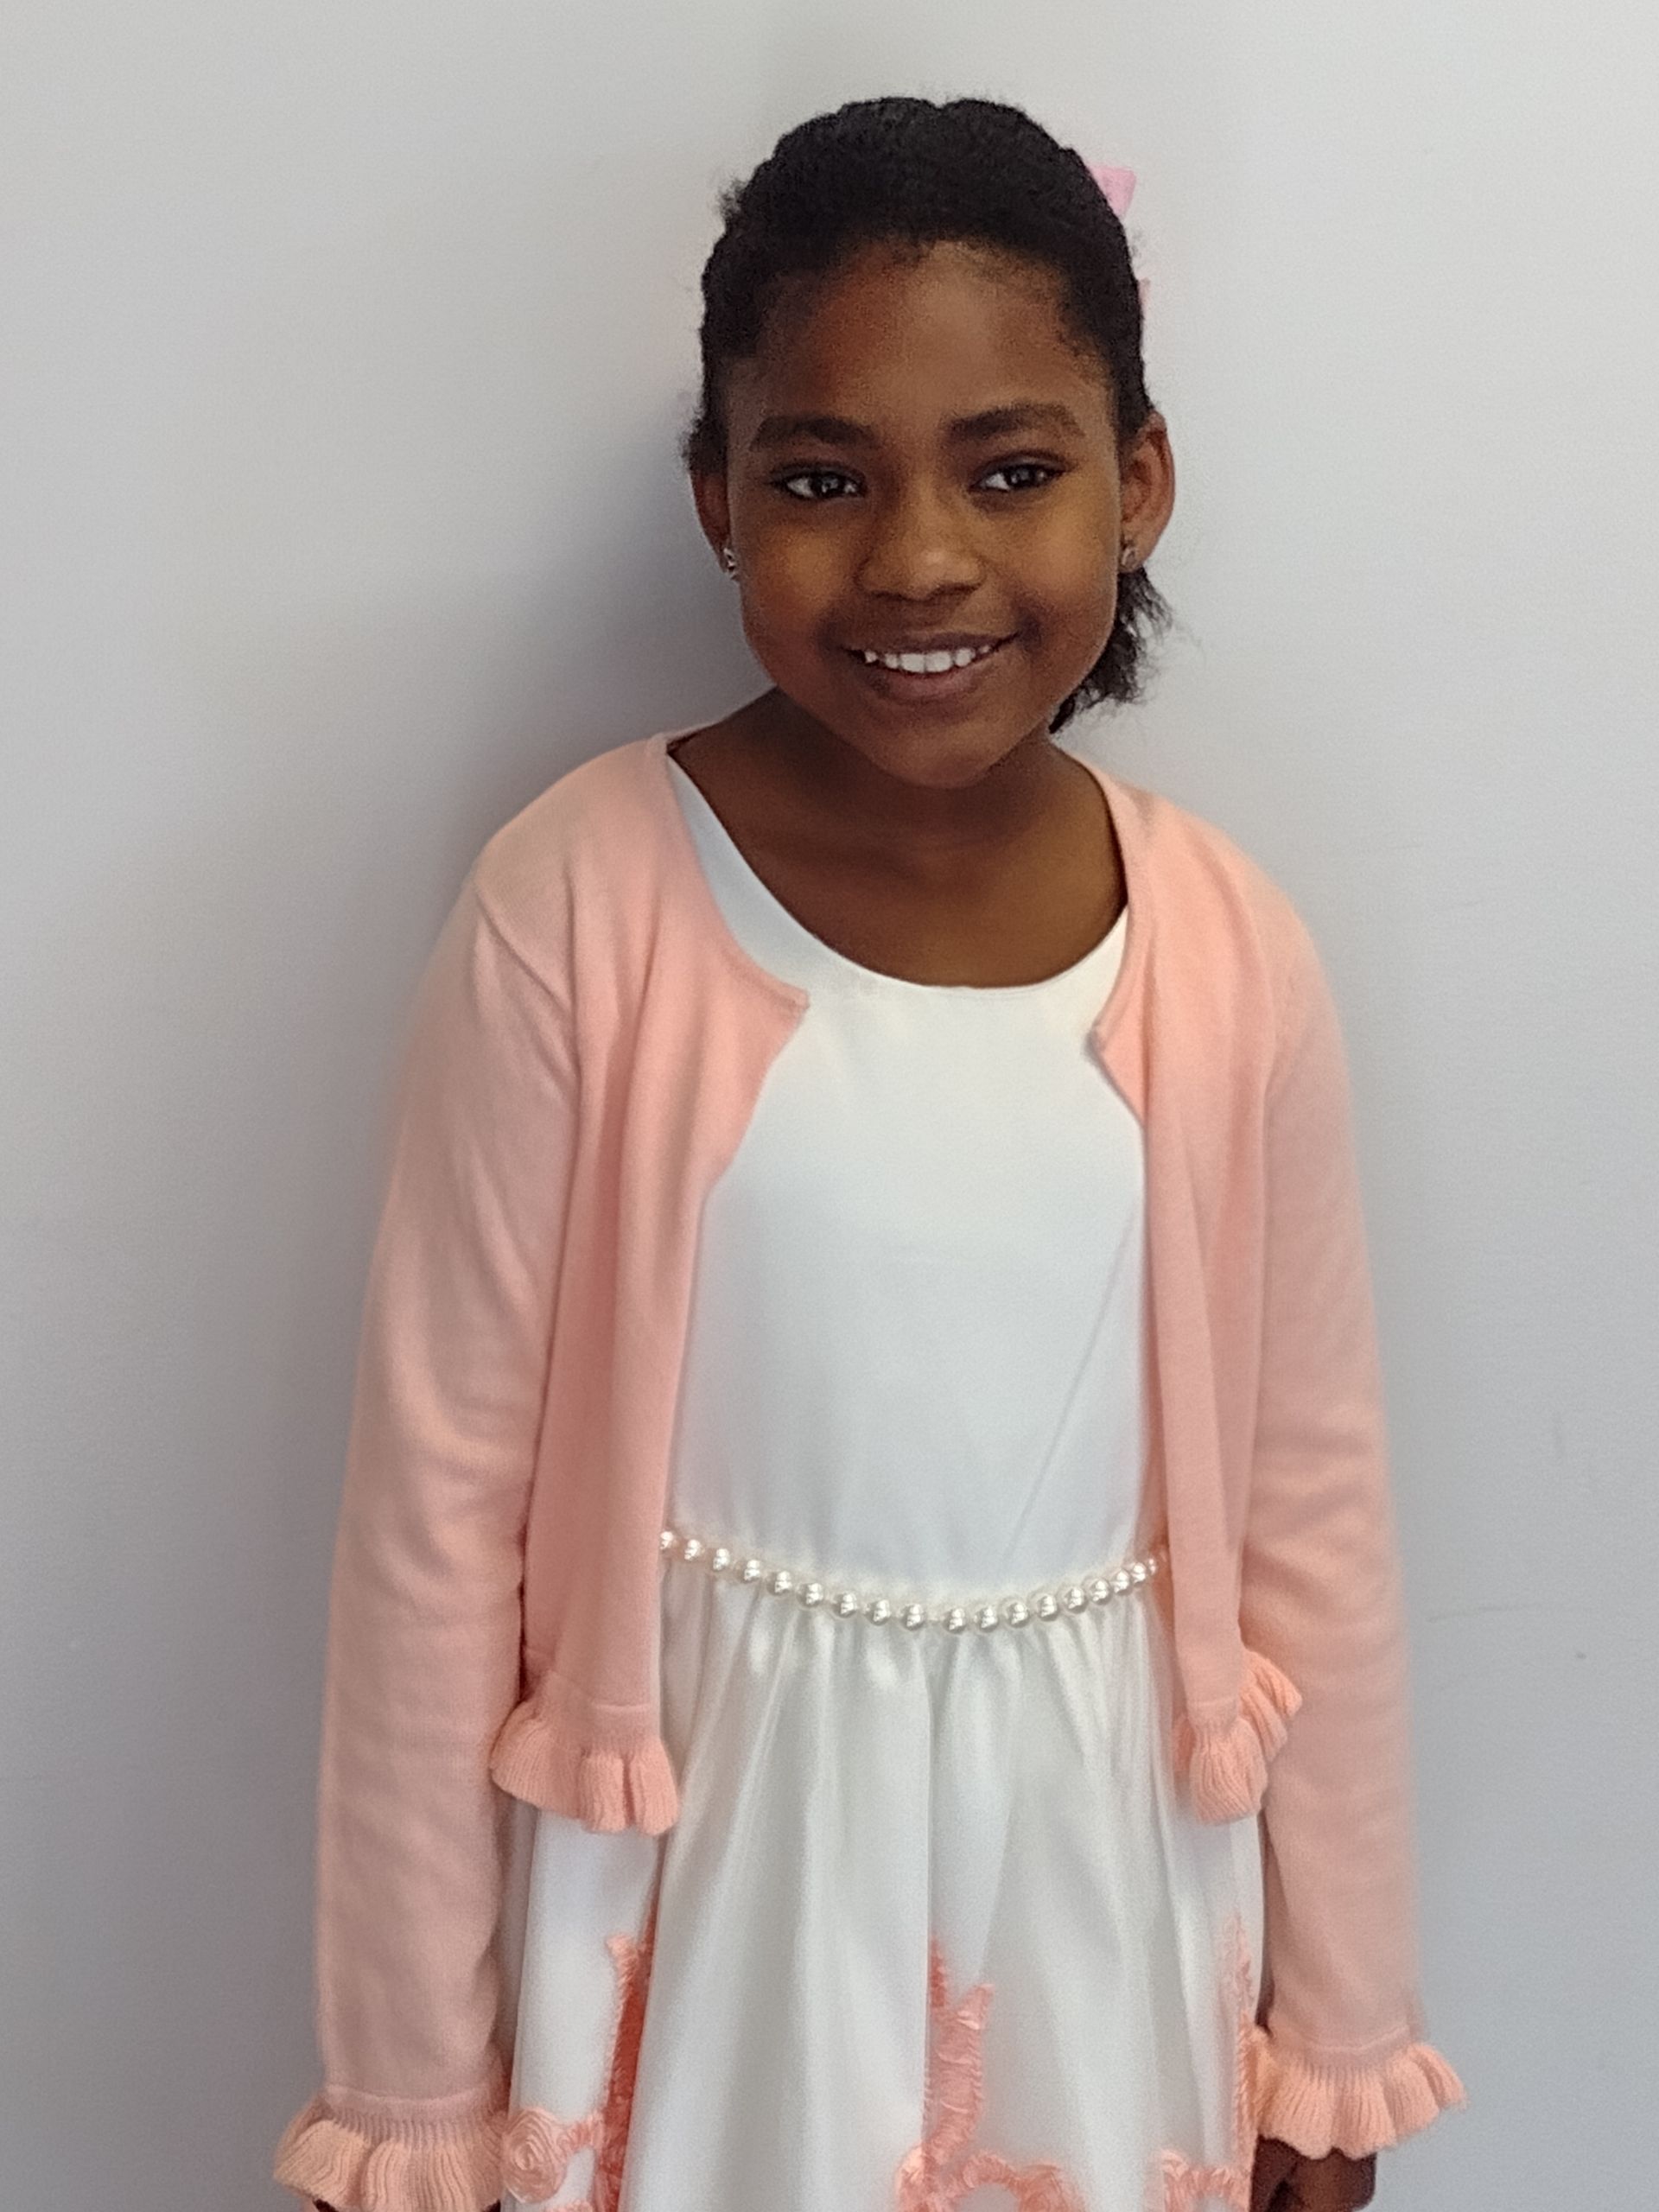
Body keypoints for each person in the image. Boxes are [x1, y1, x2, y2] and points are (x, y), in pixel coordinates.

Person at [274, 93, 1465, 2212]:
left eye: (1014, 470)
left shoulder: (1229, 955)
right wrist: (412, 2085)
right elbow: (431, 1530)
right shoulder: (578, 908)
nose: (920, 558)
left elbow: (1317, 1514)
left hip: (1104, 1885)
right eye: (824, 477)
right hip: (698, 1878)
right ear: (719, 496)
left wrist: (1336, 2029)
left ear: (1140, 482)